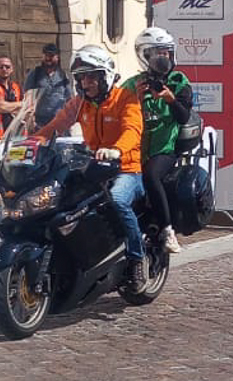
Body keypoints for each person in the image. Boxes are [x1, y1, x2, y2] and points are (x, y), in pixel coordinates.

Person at [34, 45, 149, 286]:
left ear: (105, 76)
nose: (87, 83)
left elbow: (132, 130)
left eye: (92, 76)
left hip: (125, 168)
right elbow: (56, 124)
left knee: (117, 199)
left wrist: (116, 149)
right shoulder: (80, 104)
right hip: (94, 168)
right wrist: (31, 142)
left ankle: (138, 259)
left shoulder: (125, 99)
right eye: (82, 77)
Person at [121, 27, 193, 255]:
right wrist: (136, 100)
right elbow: (116, 112)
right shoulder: (132, 85)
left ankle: (167, 229)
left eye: (167, 53)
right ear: (145, 56)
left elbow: (183, 117)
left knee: (151, 175)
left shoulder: (179, 81)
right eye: (157, 54)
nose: (164, 59)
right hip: (134, 149)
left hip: (165, 148)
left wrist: (171, 99)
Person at [23, 43, 73, 131]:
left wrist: (69, 119)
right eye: (46, 55)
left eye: (51, 55)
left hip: (59, 123)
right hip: (39, 123)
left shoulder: (62, 75)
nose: (48, 58)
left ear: (57, 57)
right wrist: (30, 120)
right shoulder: (35, 73)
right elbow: (28, 96)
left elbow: (69, 98)